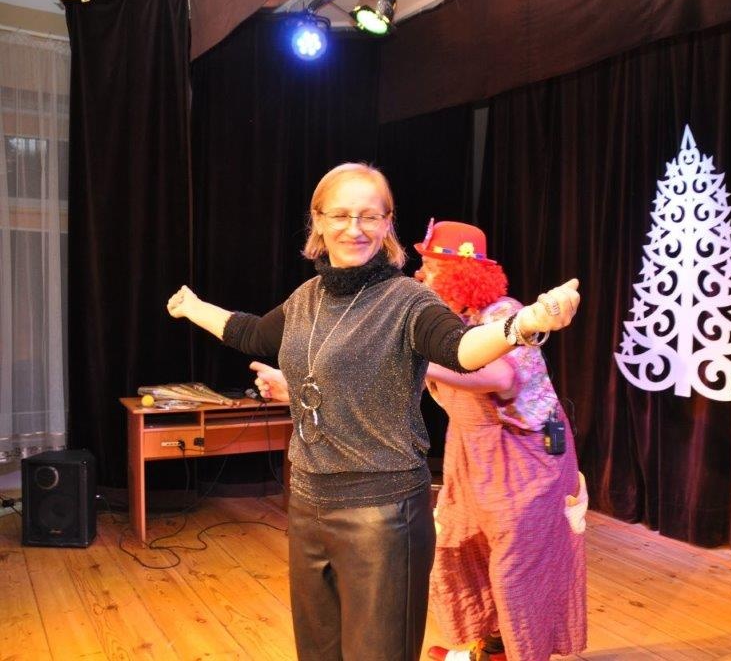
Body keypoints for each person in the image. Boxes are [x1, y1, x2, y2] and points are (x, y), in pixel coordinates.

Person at [165, 163, 580, 661]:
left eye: (369, 216)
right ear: (318, 222)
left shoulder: (408, 300)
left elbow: (461, 349)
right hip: (310, 502)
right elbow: (253, 334)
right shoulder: (307, 298)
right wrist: (193, 307)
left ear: (387, 225)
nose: (354, 228)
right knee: (319, 653)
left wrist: (524, 323)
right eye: (340, 215)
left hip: (382, 513)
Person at [416, 220, 588, 661]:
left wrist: (418, 363)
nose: (420, 274)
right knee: (460, 547)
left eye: (430, 266)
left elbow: (500, 376)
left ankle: (523, 652)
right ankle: (491, 647)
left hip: (525, 455)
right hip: (472, 452)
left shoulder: (503, 314)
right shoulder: (444, 322)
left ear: (458, 273)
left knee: (518, 566)